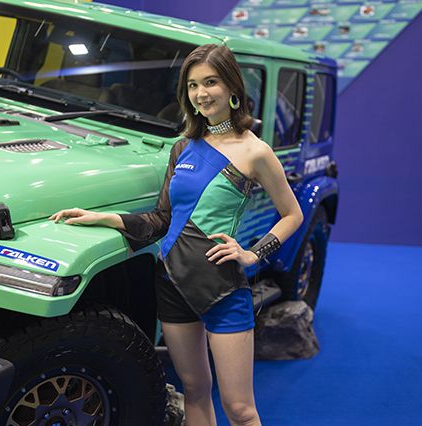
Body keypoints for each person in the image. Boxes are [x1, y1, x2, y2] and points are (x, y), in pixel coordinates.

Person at [49, 44, 304, 426]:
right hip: (171, 284)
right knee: (195, 389)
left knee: (240, 409)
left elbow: (292, 214)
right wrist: (104, 217)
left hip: (222, 288)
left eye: (211, 82)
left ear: (232, 87)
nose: (201, 93)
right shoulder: (182, 147)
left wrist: (254, 253)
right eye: (193, 85)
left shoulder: (255, 151)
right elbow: (162, 219)